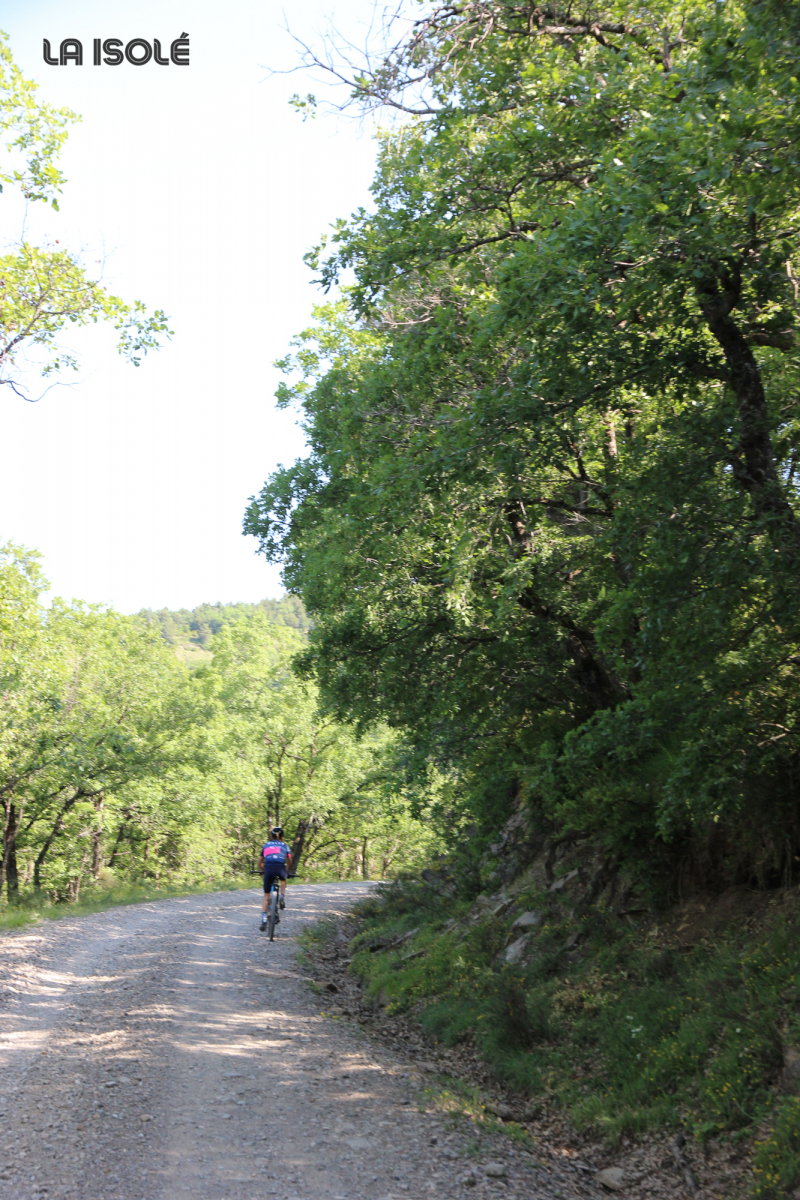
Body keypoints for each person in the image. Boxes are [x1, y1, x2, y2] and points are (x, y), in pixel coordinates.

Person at [260, 826, 292, 931]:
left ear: (271, 836)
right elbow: (289, 861)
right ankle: (282, 897)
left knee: (266, 895)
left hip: (269, 869)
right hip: (280, 868)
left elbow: (259, 862)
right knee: (283, 879)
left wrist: (263, 871)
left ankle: (264, 919)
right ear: (282, 837)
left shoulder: (266, 845)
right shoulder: (285, 846)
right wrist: (287, 871)